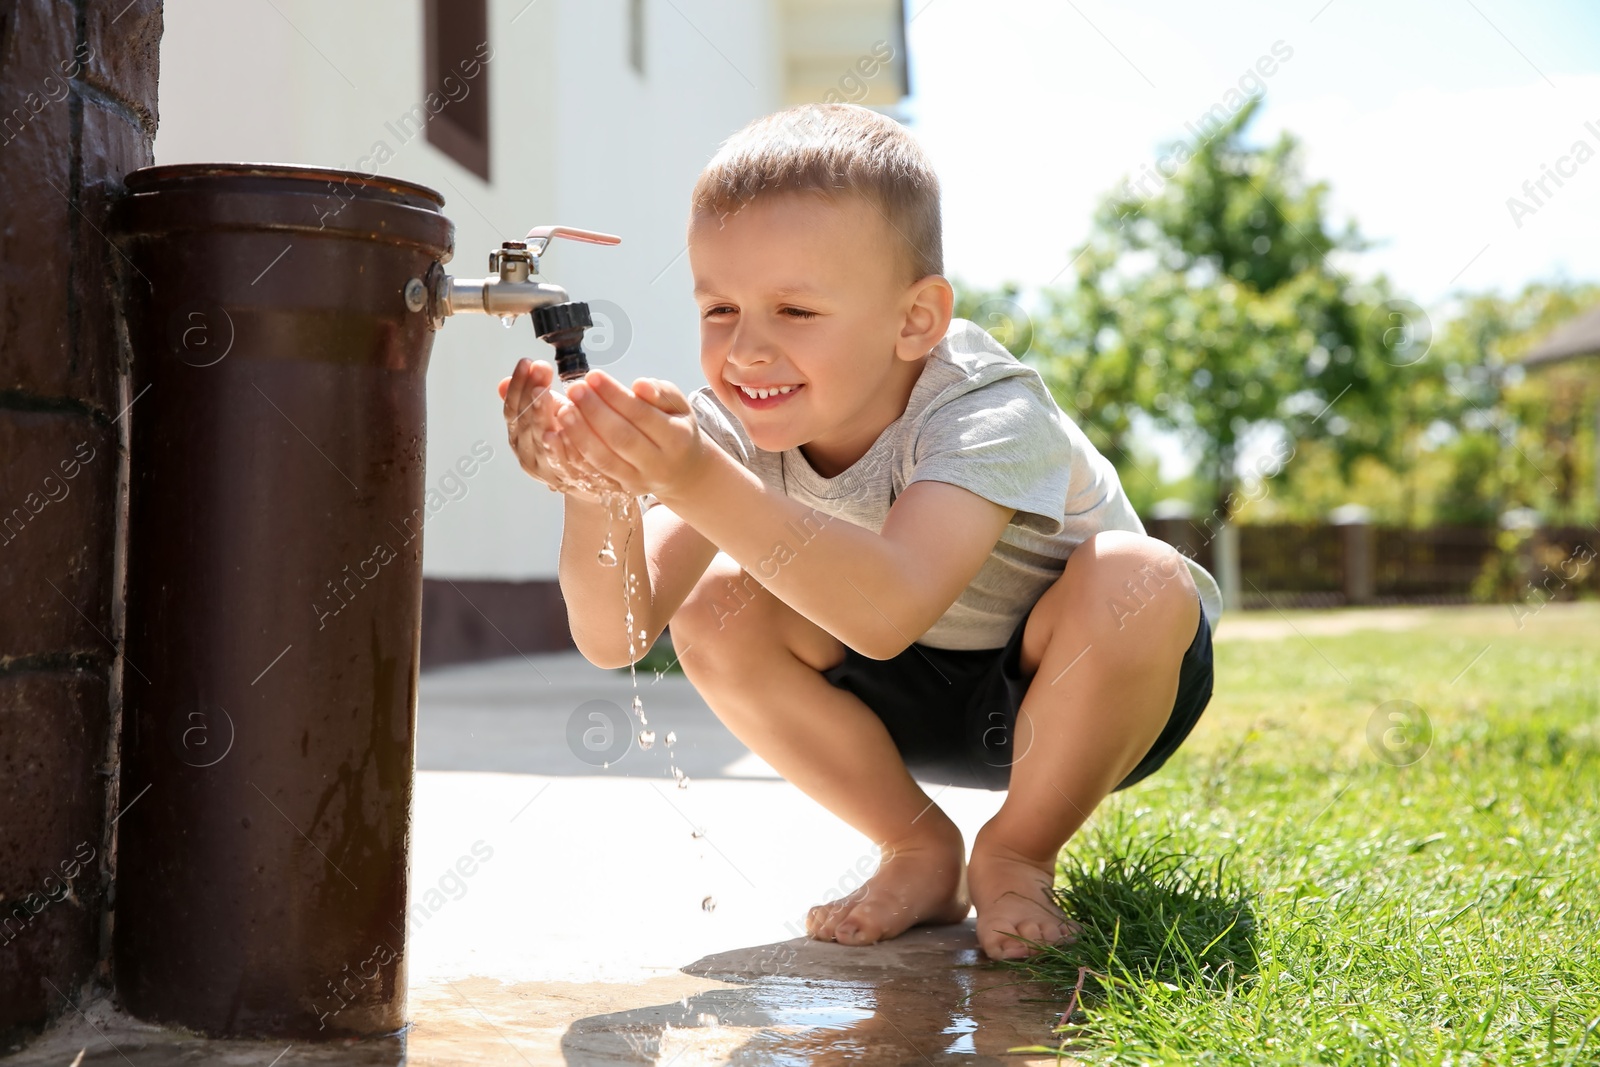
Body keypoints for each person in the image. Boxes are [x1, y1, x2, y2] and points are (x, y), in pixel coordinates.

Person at [497, 103, 1222, 961]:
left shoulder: (984, 405)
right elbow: (618, 631)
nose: (745, 351)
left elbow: (889, 606)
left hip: (1083, 692)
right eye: (719, 308)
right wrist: (599, 489)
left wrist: (690, 477)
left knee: (1139, 573)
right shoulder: (729, 422)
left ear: (917, 319)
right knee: (715, 600)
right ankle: (918, 848)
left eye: (796, 311)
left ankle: (1018, 850)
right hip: (898, 694)